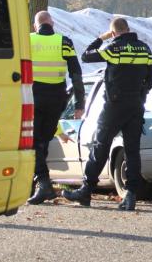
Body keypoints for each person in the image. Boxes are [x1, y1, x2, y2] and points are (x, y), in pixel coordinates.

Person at [63, 17, 152, 210]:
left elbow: (86, 55)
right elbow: (150, 81)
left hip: (114, 105)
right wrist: (140, 96)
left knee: (101, 146)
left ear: (113, 33)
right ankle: (130, 195)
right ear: (128, 29)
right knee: (132, 150)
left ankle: (86, 190)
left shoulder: (113, 48)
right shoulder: (145, 49)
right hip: (136, 105)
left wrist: (101, 38)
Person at [28, 11, 86, 204]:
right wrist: (79, 104)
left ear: (36, 26)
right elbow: (76, 74)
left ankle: (43, 184)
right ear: (51, 23)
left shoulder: (28, 41)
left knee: (33, 142)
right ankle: (37, 185)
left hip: (34, 96)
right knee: (42, 142)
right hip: (57, 98)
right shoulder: (65, 42)